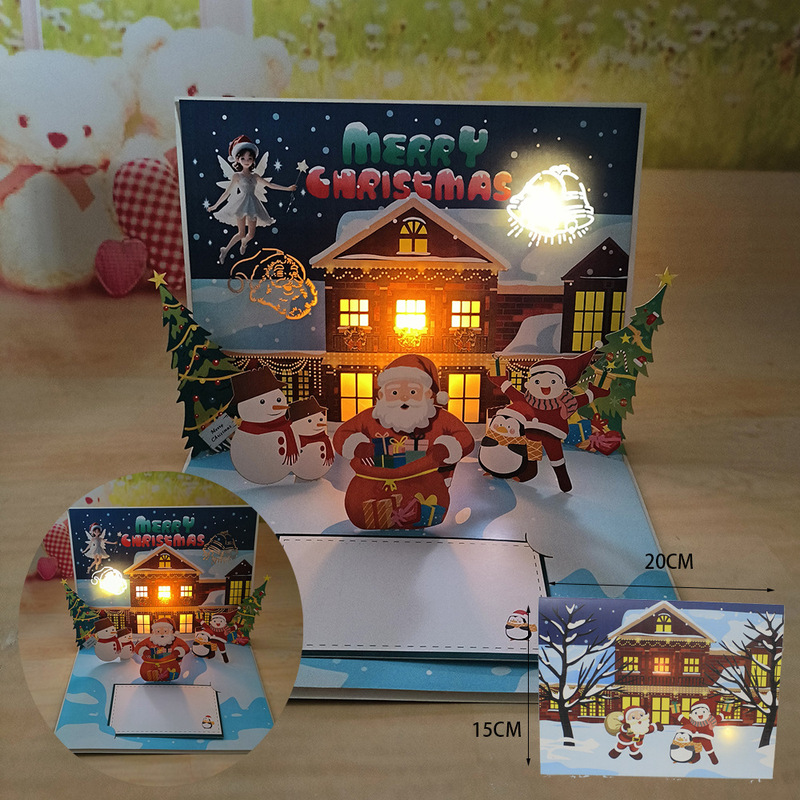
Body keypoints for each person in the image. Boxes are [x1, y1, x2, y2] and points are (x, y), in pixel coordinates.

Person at [207, 135, 295, 263]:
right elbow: (227, 192)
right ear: (237, 160)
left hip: (253, 204)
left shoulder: (255, 176)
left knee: (251, 234)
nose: (246, 161)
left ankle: (244, 243)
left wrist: (287, 188)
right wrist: (215, 206)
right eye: (243, 158)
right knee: (241, 233)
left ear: (253, 160)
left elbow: (270, 185)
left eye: (249, 158)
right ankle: (225, 250)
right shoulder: (237, 176)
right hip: (240, 204)